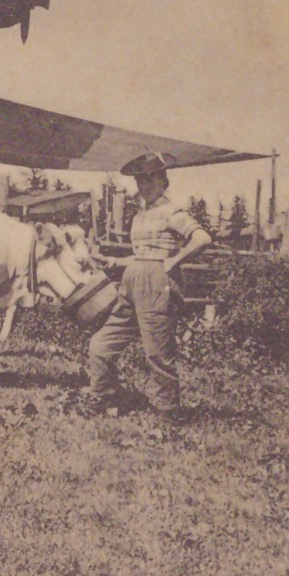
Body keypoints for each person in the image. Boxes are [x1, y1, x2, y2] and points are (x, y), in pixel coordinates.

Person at [84, 151, 213, 421]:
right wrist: (115, 261)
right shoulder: (140, 216)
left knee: (157, 352)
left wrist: (172, 262)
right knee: (100, 344)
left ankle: (169, 413)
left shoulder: (171, 211)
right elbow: (141, 254)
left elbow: (202, 238)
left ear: (164, 181)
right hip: (133, 279)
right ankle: (103, 397)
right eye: (140, 181)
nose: (144, 186)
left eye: (150, 180)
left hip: (157, 282)